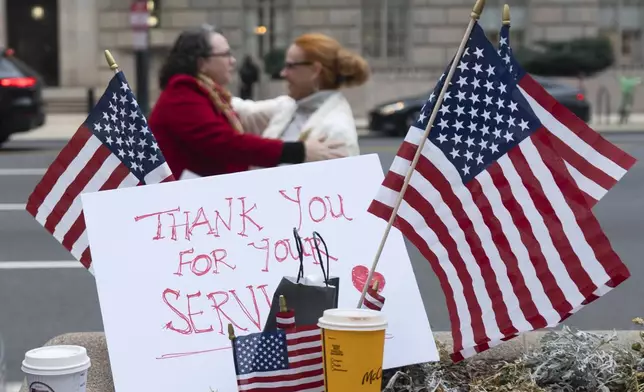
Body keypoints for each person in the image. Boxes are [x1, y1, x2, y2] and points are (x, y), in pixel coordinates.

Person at [147, 24, 346, 179]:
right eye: (225, 55)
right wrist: (298, 151)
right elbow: (226, 144)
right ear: (202, 63)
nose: (232, 61)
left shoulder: (205, 93)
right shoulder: (182, 94)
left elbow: (249, 112)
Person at [233, 33, 370, 157]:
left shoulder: (337, 130)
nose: (283, 73)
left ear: (315, 70)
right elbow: (243, 110)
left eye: (290, 66)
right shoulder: (289, 106)